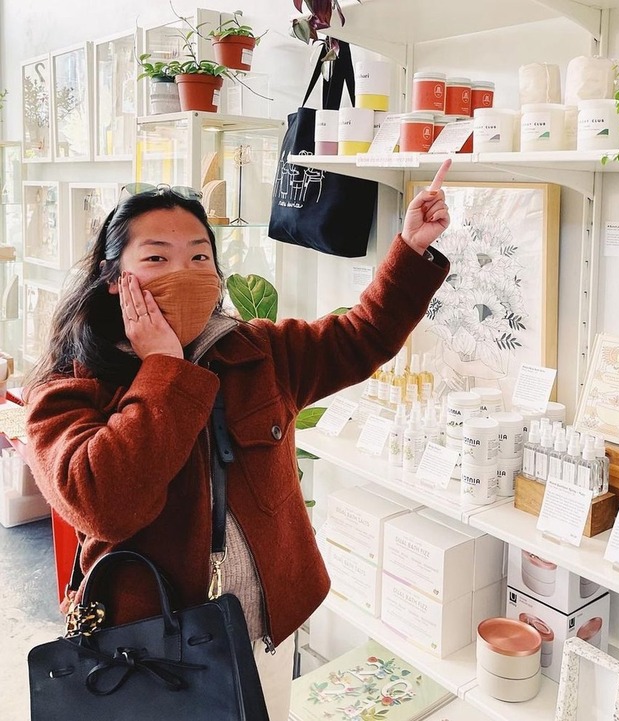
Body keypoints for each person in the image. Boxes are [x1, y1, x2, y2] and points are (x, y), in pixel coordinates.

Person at [24, 159, 453, 720]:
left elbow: (359, 337)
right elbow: (105, 502)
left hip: (260, 636)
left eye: (200, 256)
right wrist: (163, 368)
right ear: (112, 279)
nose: (184, 270)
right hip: (148, 653)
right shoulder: (69, 389)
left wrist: (410, 249)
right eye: (156, 257)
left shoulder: (257, 353)